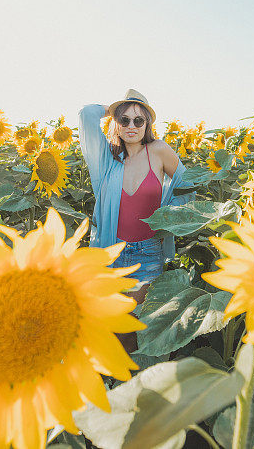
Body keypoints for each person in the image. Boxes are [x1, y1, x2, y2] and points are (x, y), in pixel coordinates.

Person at [79, 89, 193, 350]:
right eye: (125, 120)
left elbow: (187, 184)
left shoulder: (159, 151)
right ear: (116, 124)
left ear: (147, 125)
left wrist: (168, 218)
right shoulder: (106, 159)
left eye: (138, 120)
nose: (131, 126)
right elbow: (86, 114)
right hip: (111, 251)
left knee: (141, 327)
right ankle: (112, 385)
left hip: (149, 252)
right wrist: (114, 108)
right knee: (111, 326)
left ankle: (137, 384)